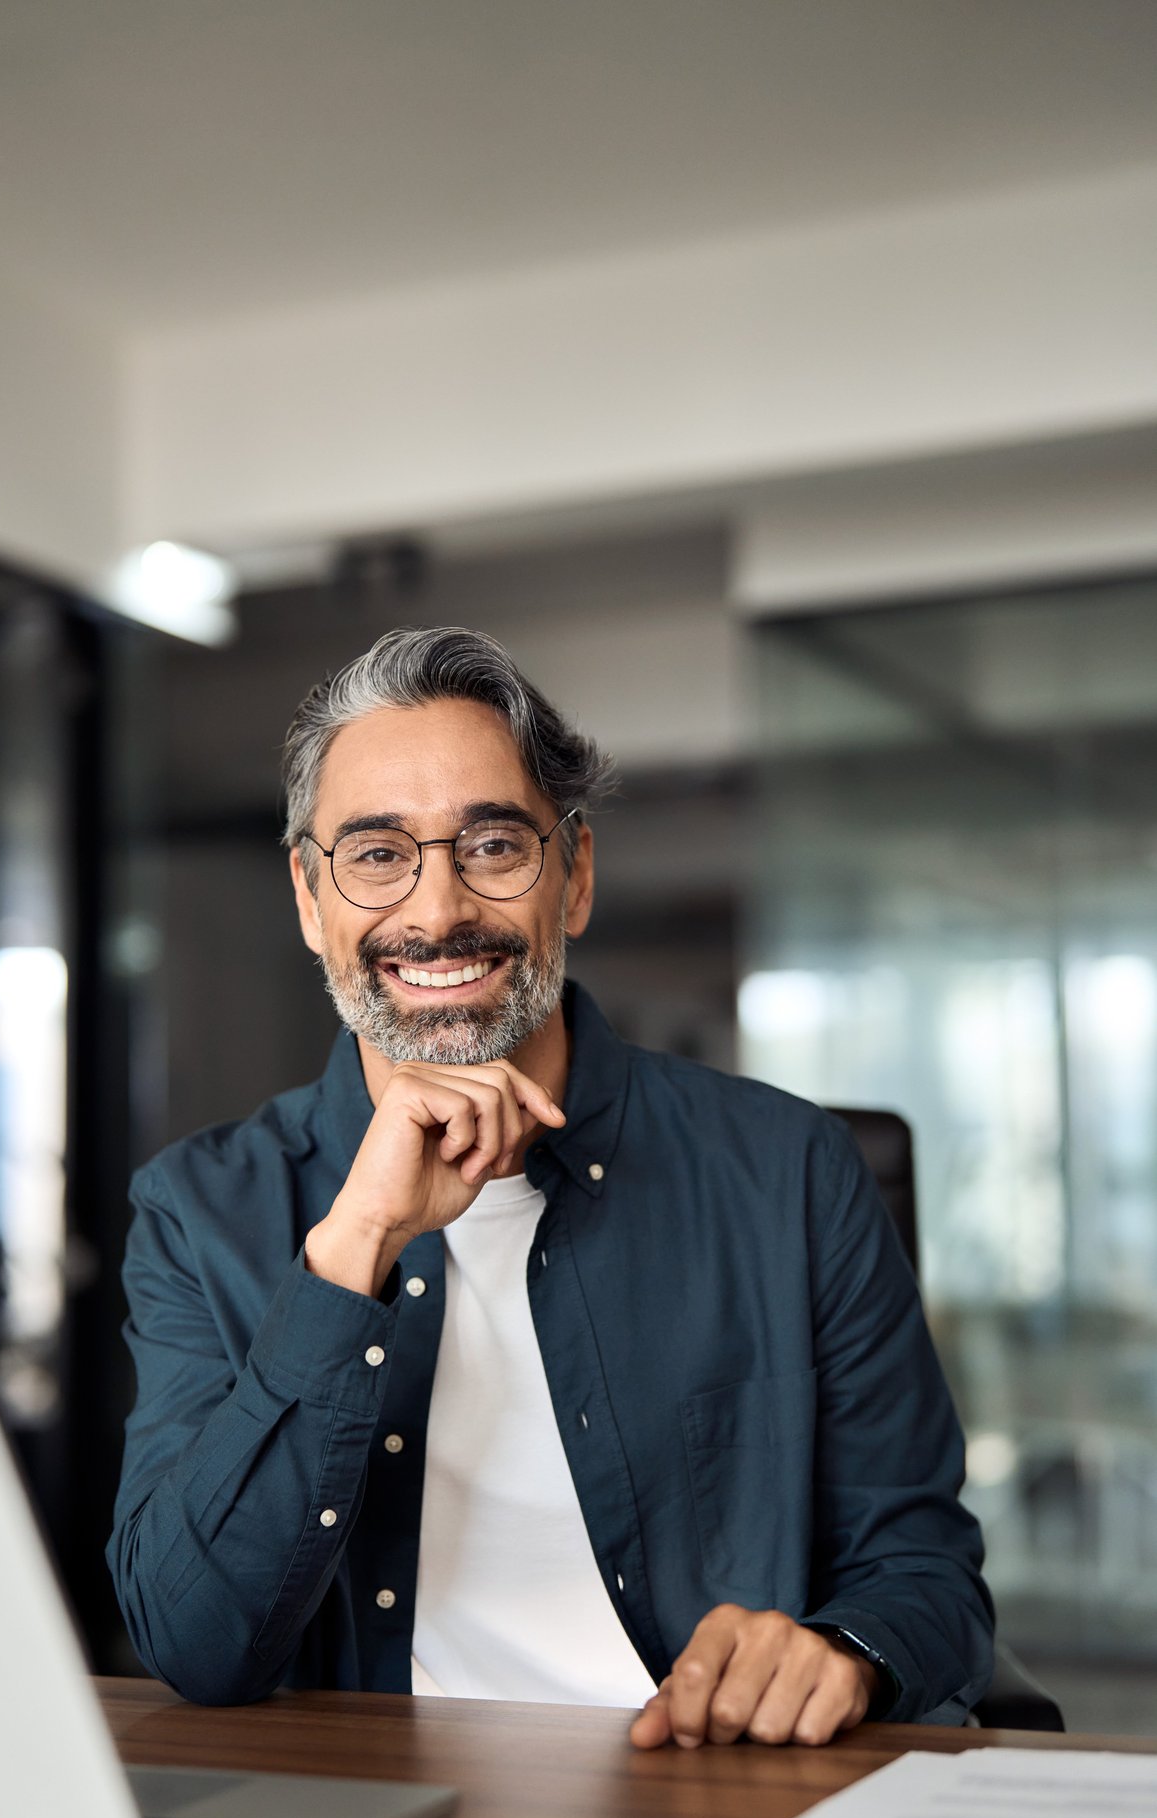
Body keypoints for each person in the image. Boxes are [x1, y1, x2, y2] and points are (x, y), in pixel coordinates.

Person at [109, 626, 993, 1747]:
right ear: (308, 897)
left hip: (704, 1802)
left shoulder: (790, 1170)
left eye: (490, 844)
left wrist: (845, 1653)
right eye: (377, 854)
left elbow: (925, 1576)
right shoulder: (199, 1209)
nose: (434, 913)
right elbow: (192, 1640)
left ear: (572, 874)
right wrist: (357, 1243)